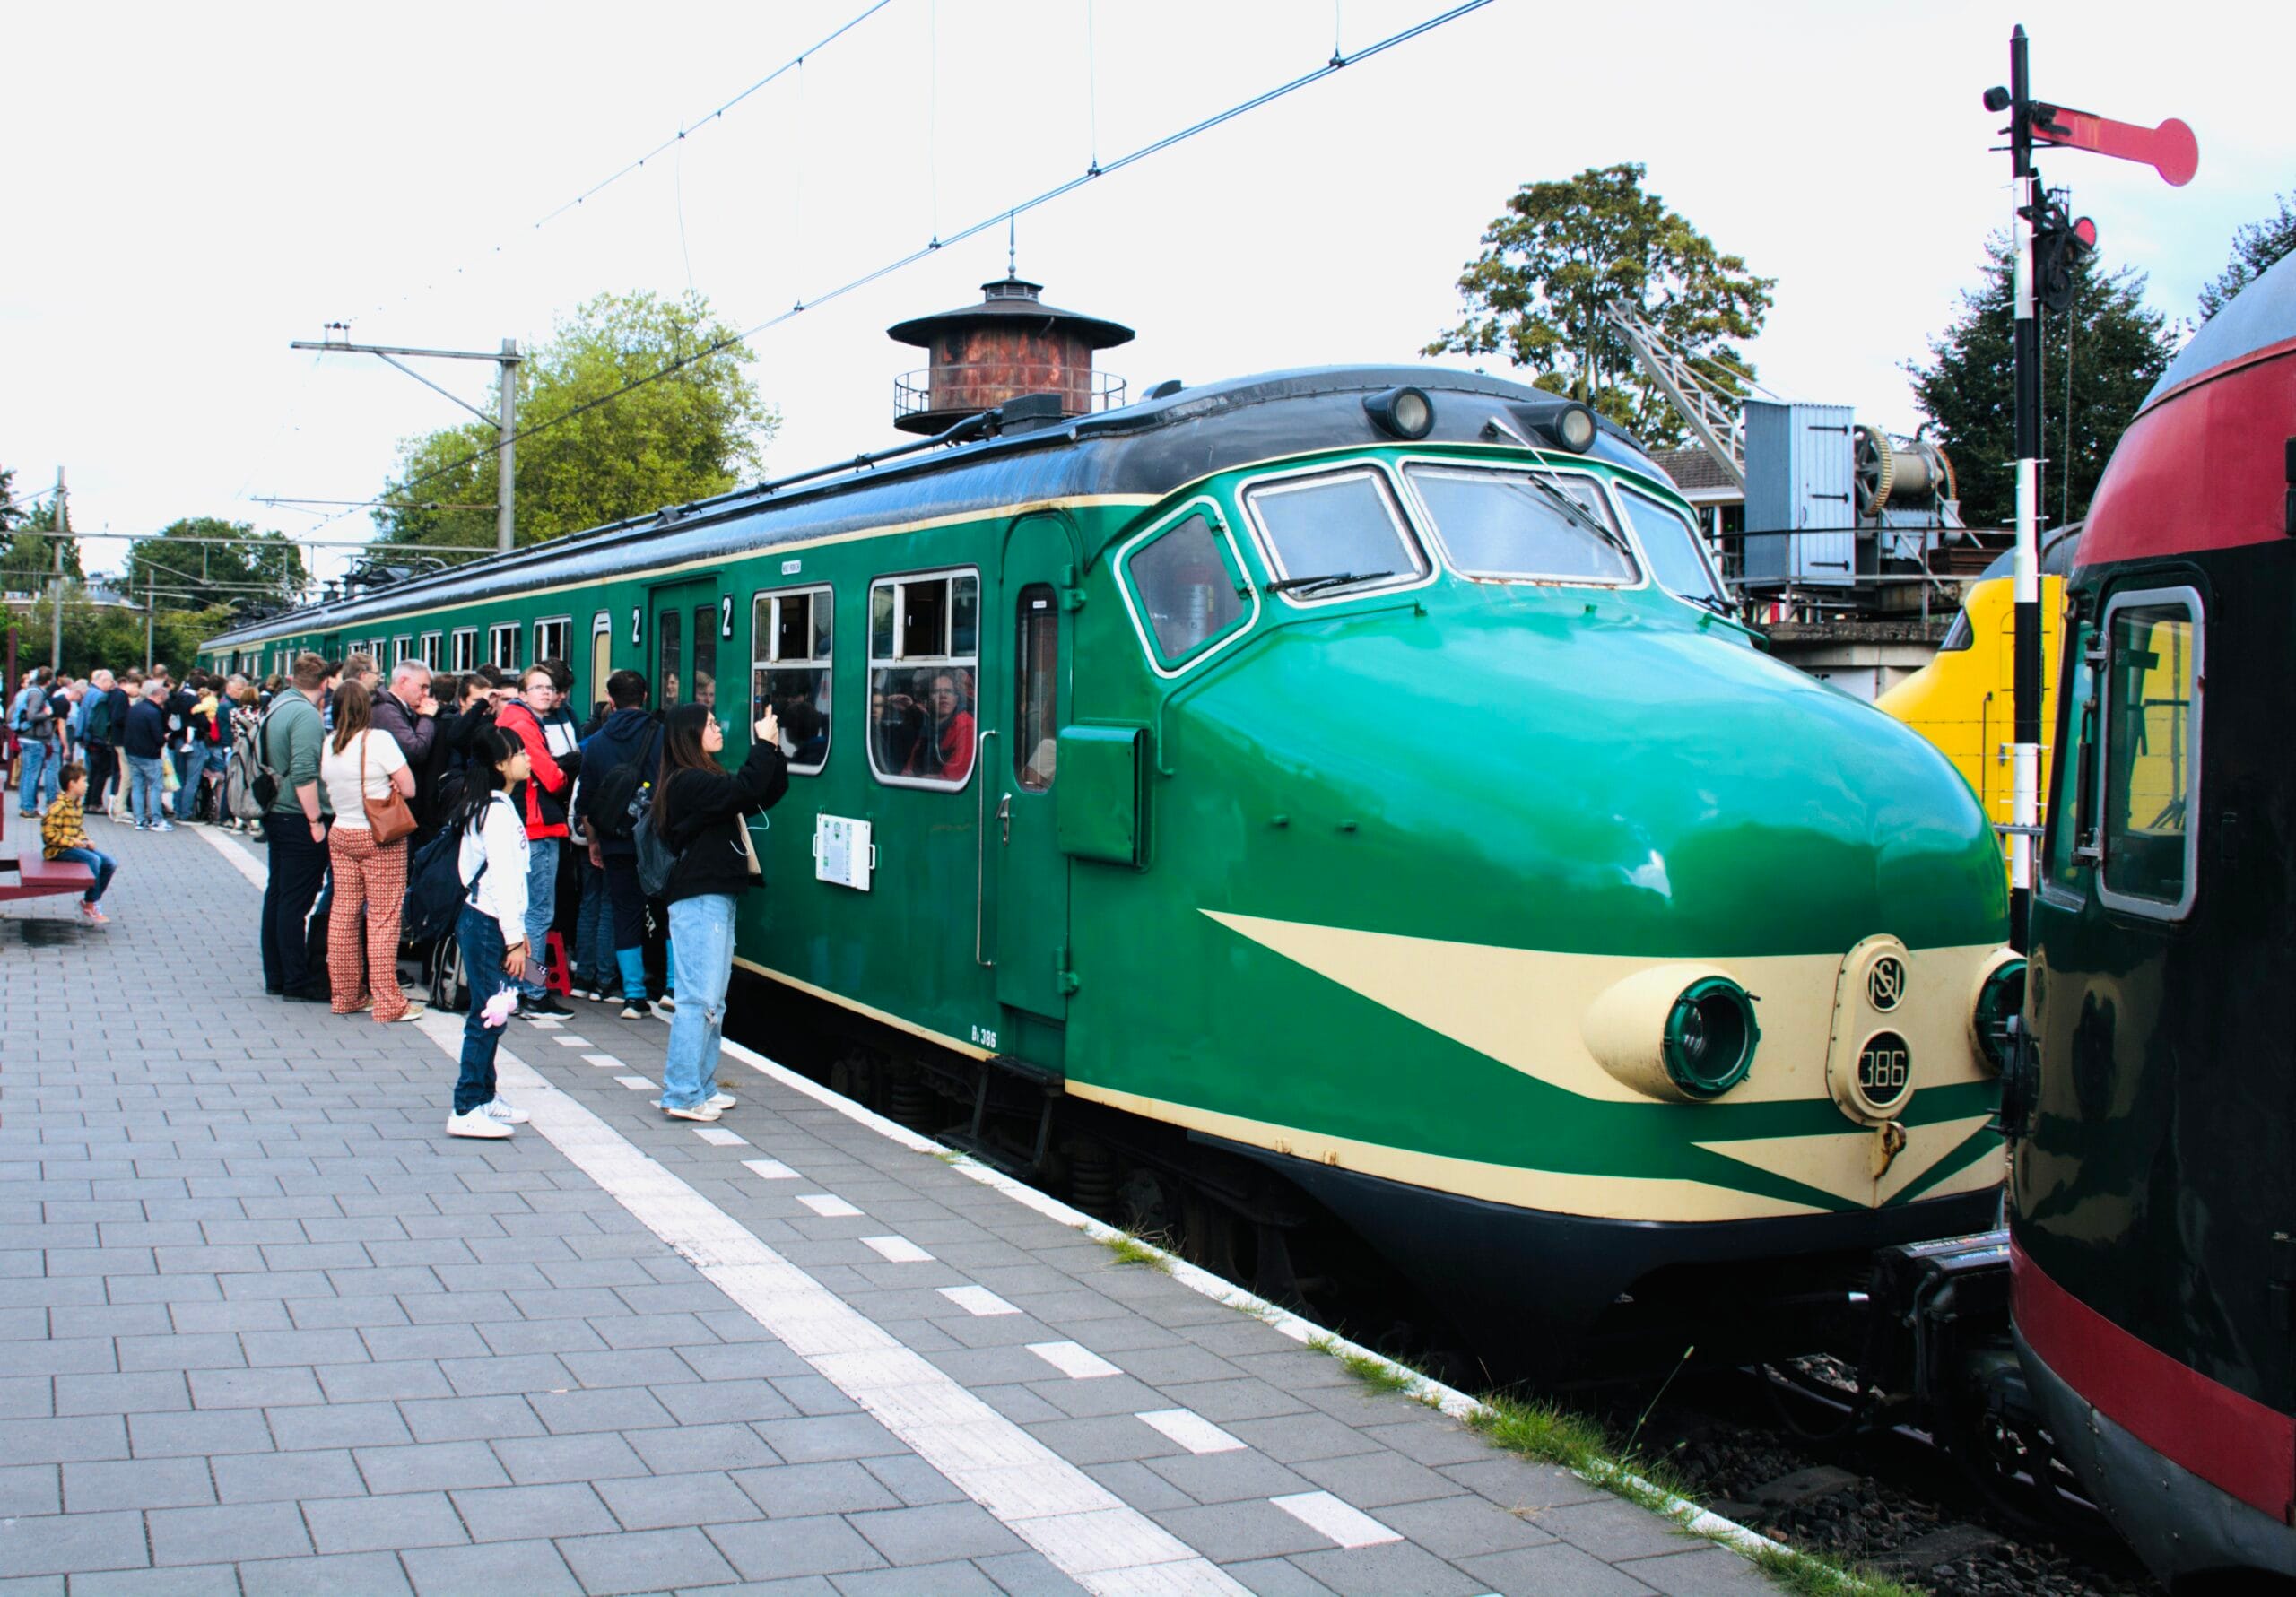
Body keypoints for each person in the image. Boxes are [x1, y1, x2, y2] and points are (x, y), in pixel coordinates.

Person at [650, 701, 788, 1122]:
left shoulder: (702, 776)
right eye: (710, 725)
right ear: (689, 735)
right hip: (699, 898)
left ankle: (702, 1085)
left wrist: (774, 751)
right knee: (698, 999)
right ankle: (681, 1093)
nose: (718, 728)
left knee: (714, 1000)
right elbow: (743, 791)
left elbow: (763, 792)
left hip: (715, 895)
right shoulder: (686, 782)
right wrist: (761, 746)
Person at [442, 725, 535, 1140]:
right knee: (488, 1015)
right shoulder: (495, 812)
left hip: (491, 921)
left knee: (494, 1012)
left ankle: (484, 1096)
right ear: (501, 764)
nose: (527, 758)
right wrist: (514, 938)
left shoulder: (495, 804)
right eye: (519, 753)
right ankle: (464, 1107)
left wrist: (518, 932)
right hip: (487, 923)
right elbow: (500, 878)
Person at [317, 681, 421, 1024]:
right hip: (380, 836)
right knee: (383, 918)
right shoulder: (378, 740)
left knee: (344, 915)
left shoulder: (329, 743)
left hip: (342, 833)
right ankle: (389, 1002)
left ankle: (346, 996)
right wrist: (389, 784)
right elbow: (408, 787)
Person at [492, 664, 579, 1017]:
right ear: (523, 694)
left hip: (527, 824)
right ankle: (533, 990)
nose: (546, 692)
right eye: (538, 687)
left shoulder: (515, 719)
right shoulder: (524, 724)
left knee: (526, 912)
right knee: (538, 914)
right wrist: (564, 769)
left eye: (549, 687)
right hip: (537, 827)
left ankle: (520, 986)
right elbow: (552, 777)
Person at [577, 669, 662, 1014]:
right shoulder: (662, 735)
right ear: (644, 697)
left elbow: (586, 803)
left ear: (610, 701)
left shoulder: (595, 743)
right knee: (665, 909)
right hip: (657, 840)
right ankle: (671, 987)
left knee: (625, 912)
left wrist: (595, 843)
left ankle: (633, 995)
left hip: (615, 840)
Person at [260, 652, 335, 1002]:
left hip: (277, 812)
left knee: (278, 896)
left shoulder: (278, 705)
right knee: (294, 902)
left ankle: (276, 974)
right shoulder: (305, 716)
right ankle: (295, 979)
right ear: (324, 683)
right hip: (296, 815)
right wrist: (315, 820)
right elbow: (305, 771)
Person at [40, 763, 117, 926]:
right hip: (58, 851)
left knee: (109, 862)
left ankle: (91, 900)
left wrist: (85, 840)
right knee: (94, 861)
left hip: (73, 847)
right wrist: (72, 842)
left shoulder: (76, 805)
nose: (87, 785)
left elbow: (76, 829)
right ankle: (90, 904)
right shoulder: (58, 807)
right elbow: (48, 834)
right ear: (72, 784)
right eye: (84, 781)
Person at [902, 670, 976, 782]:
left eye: (948, 691)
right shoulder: (927, 728)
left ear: (956, 699)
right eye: (936, 691)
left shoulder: (966, 726)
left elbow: (951, 778)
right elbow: (908, 769)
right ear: (928, 700)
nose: (943, 696)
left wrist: (918, 779)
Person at [123, 677, 175, 832]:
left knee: (137, 787)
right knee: (155, 787)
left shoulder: (134, 709)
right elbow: (158, 737)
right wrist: (164, 739)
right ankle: (157, 820)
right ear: (159, 697)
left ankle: (139, 820)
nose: (162, 705)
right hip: (149, 755)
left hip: (132, 753)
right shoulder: (153, 713)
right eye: (162, 702)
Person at [11, 667, 57, 818]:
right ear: (49, 681)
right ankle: (28, 807)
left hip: (26, 737)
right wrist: (46, 714)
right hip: (34, 739)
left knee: (27, 773)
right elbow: (32, 715)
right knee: (32, 774)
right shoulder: (37, 694)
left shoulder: (30, 691)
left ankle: (26, 805)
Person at [81, 668, 122, 819]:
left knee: (94, 772)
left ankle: (88, 801)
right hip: (99, 740)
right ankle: (95, 802)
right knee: (101, 772)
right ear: (103, 681)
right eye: (110, 682)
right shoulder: (101, 696)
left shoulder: (89, 693)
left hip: (90, 738)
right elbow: (101, 721)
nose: (112, 685)